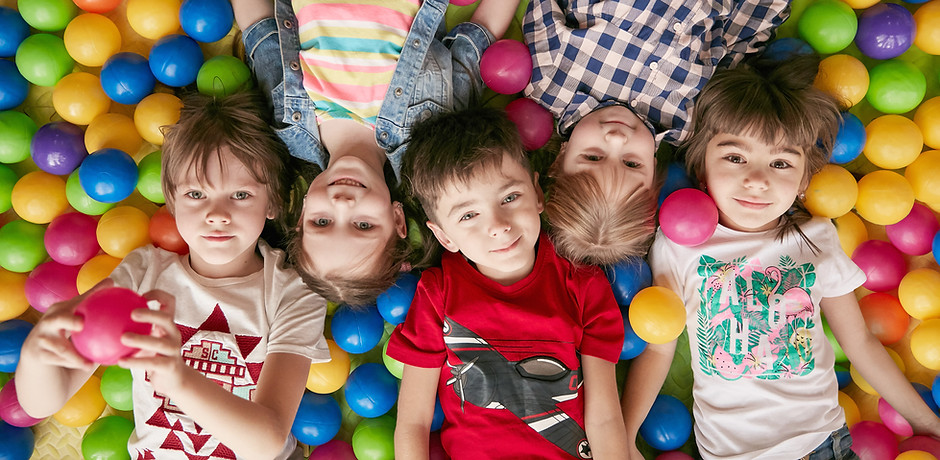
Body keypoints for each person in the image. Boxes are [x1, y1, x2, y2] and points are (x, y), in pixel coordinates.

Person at [630, 54, 940, 459]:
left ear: (802, 181)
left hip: (822, 444)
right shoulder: (678, 246)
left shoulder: (815, 238)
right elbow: (659, 348)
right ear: (702, 164)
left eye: (780, 163)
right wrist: (624, 435)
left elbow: (860, 342)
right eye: (735, 157)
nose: (757, 180)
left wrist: (926, 423)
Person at [16, 92, 330, 460]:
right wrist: (36, 357)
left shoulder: (294, 292)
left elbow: (267, 442)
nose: (217, 214)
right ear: (172, 200)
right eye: (196, 193)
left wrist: (176, 379)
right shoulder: (142, 274)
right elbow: (42, 403)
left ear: (273, 201)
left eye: (241, 194)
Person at [229, 0, 521, 306]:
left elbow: (259, 30)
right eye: (364, 225)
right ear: (397, 219)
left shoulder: (288, 122)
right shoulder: (429, 132)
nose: (341, 204)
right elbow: (477, 38)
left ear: (302, 214)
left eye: (322, 222)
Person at [386, 107, 628, 459]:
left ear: (537, 193)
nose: (497, 225)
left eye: (509, 198)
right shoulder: (438, 293)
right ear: (443, 236)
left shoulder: (583, 284)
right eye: (469, 215)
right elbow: (413, 422)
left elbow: (605, 417)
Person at [522, 0, 788, 267]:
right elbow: (736, 45)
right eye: (632, 163)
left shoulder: (549, 82)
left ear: (560, 158)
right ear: (654, 169)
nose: (617, 138)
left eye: (593, 157)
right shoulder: (692, 120)